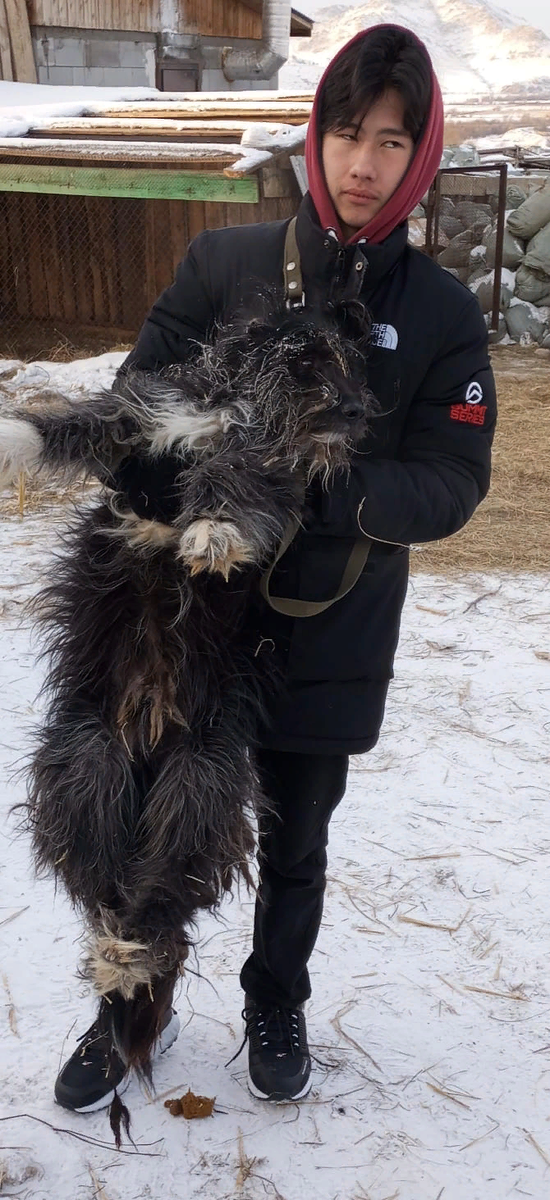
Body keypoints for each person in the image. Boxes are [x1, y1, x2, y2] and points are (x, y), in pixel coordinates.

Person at [54, 24, 496, 1112]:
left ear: (419, 153)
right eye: (347, 132)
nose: (362, 164)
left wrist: (327, 491)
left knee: (295, 833)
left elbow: (452, 478)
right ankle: (126, 1007)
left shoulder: (439, 315)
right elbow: (136, 402)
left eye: (391, 141)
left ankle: (276, 997)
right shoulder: (225, 262)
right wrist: (157, 478)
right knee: (141, 817)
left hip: (327, 626)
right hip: (185, 623)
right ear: (316, 133)